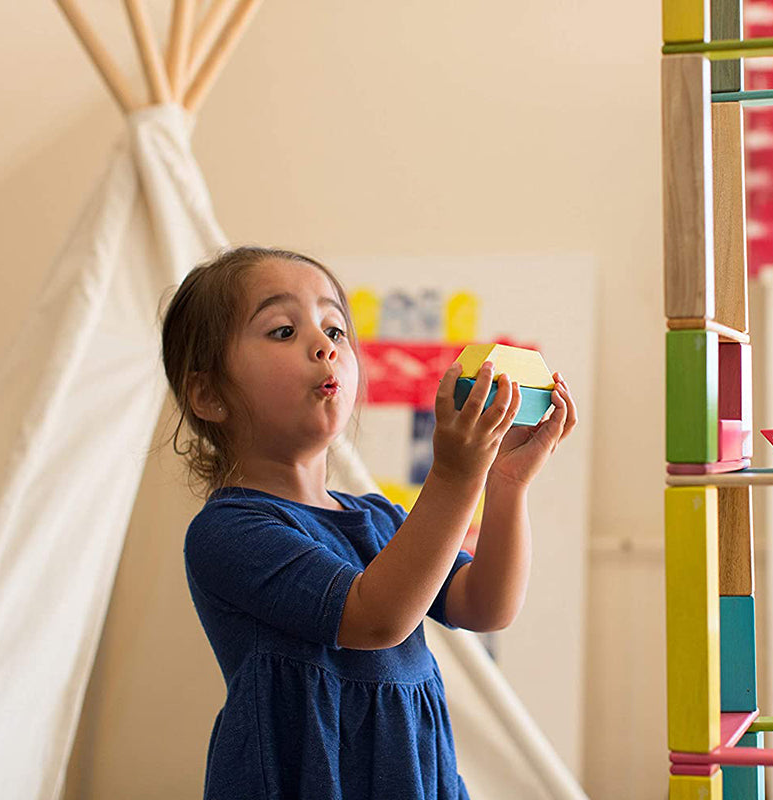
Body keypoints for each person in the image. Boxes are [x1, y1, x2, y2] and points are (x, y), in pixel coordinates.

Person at [158, 245, 577, 799]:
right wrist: (452, 475)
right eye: (283, 331)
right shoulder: (229, 531)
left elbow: (485, 606)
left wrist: (505, 485)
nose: (324, 347)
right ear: (209, 395)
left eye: (335, 330)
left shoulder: (379, 519)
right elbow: (374, 620)